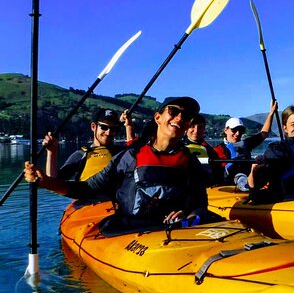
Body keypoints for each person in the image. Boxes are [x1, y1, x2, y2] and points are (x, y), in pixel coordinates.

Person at [24, 97, 210, 232]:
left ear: (187, 125)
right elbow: (87, 188)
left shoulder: (190, 162)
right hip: (131, 230)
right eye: (173, 111)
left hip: (173, 230)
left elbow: (201, 204)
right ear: (157, 117)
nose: (179, 118)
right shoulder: (130, 156)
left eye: (186, 116)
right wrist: (47, 182)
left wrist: (190, 216)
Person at [44, 108, 128, 181]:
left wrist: (128, 126)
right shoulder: (81, 155)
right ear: (93, 126)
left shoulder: (122, 153)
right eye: (104, 127)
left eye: (113, 129)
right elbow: (53, 181)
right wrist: (51, 152)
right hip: (90, 198)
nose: (108, 132)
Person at [214, 101, 277, 187]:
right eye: (234, 130)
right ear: (226, 130)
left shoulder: (246, 144)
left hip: (248, 184)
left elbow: (264, 133)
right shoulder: (218, 149)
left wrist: (271, 113)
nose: (237, 133)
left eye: (241, 130)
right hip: (227, 187)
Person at [183, 113, 223, 185]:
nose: (196, 130)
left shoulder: (210, 150)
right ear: (186, 128)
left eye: (200, 127)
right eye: (192, 126)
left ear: (204, 129)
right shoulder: (177, 147)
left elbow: (218, 173)